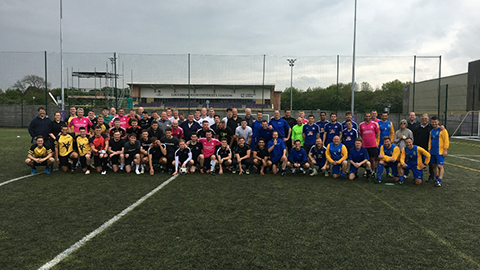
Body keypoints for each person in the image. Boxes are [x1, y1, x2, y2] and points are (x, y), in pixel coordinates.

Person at [428, 116, 449, 187]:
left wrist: (445, 150)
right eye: (433, 122)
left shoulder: (442, 130)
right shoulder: (431, 131)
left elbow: (446, 140)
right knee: (434, 165)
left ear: (438, 122)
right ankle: (436, 179)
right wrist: (429, 150)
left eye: (435, 122)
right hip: (432, 151)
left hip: (440, 151)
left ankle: (440, 180)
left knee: (440, 166)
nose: (434, 123)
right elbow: (430, 141)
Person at [413, 114, 435, 181]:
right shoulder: (418, 127)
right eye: (423, 119)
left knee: (430, 162)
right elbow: (415, 137)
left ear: (428, 120)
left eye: (425, 119)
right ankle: (419, 176)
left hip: (428, 147)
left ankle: (431, 177)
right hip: (419, 148)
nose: (424, 120)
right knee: (419, 162)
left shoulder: (431, 127)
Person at [358, 112, 380, 176]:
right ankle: (366, 171)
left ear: (371, 116)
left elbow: (377, 133)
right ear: (364, 117)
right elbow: (361, 134)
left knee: (373, 159)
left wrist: (372, 139)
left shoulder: (374, 124)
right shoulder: (361, 124)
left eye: (369, 116)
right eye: (366, 116)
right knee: (365, 159)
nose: (368, 117)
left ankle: (373, 171)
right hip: (364, 145)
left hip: (372, 144)